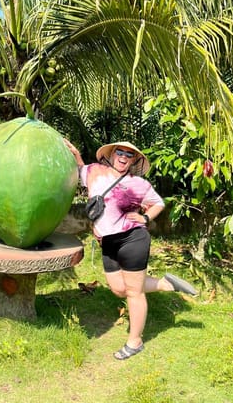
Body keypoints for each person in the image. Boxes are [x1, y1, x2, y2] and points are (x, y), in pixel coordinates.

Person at [65, 139, 197, 361]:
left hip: (132, 239)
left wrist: (145, 217)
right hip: (107, 243)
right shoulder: (95, 171)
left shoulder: (138, 184)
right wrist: (76, 152)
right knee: (118, 289)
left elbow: (158, 203)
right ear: (112, 154)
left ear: (134, 160)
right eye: (120, 152)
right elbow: (78, 170)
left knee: (134, 292)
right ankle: (165, 284)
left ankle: (135, 342)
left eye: (129, 154)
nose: (124, 157)